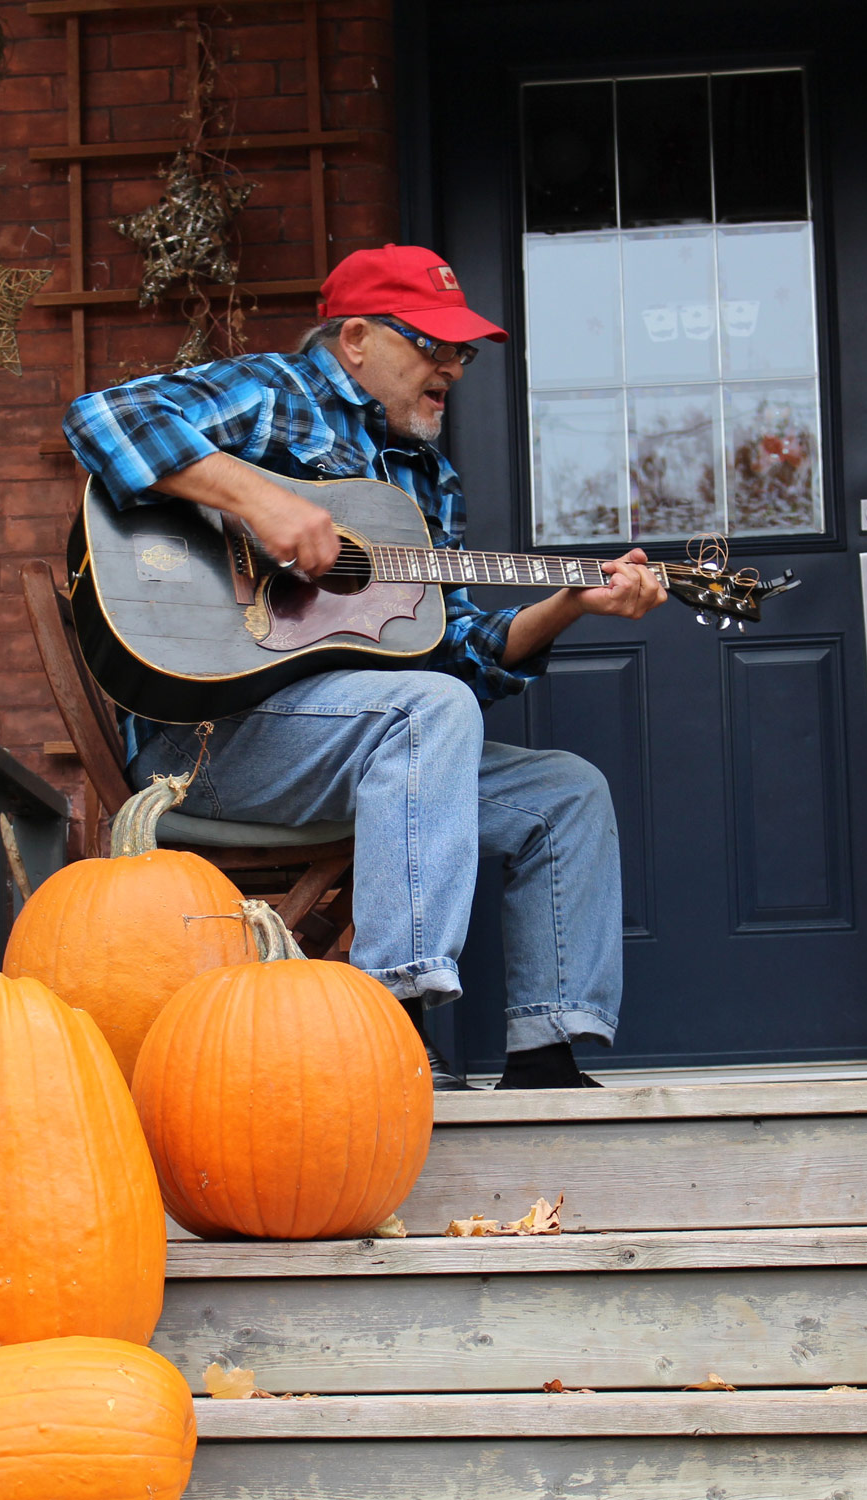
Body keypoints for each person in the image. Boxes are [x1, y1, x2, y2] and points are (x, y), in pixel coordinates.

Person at [64, 244, 667, 1089]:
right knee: (423, 712)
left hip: (358, 748)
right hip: (209, 743)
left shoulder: (426, 481)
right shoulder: (278, 395)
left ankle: (545, 1057)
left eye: (462, 351)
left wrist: (570, 603)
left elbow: (455, 655)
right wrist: (261, 500)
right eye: (433, 344)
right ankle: (387, 1033)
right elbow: (103, 417)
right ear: (355, 339)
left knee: (564, 790)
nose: (454, 367)